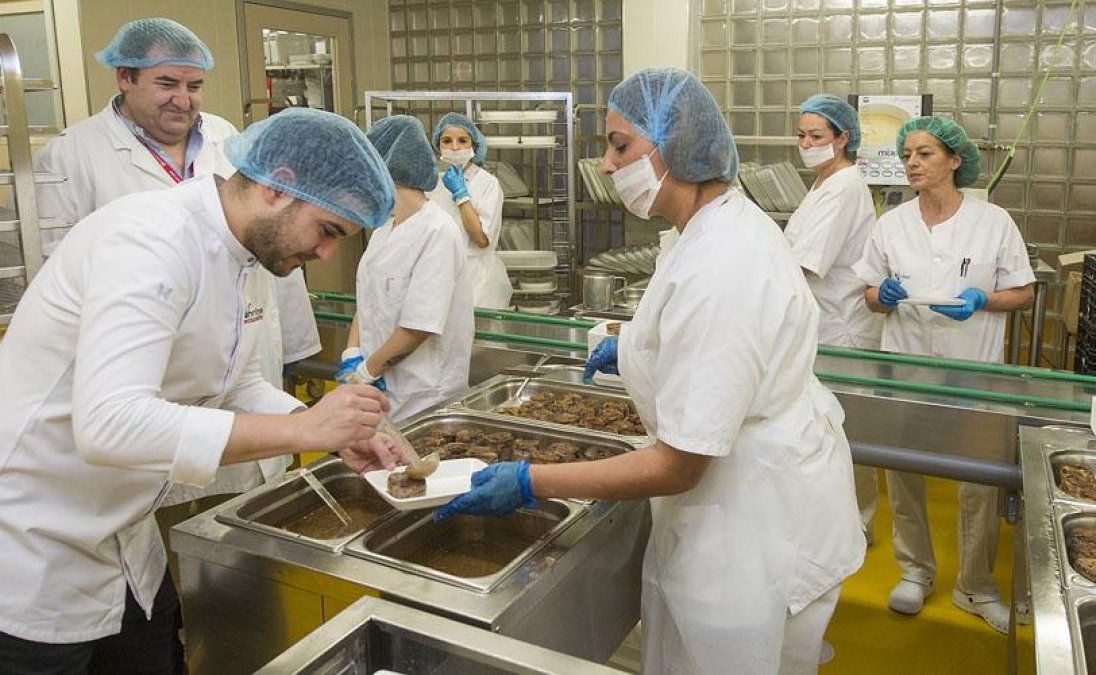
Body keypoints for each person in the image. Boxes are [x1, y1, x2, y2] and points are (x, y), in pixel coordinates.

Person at [0, 108, 402, 673]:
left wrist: (331, 431)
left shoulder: (245, 253)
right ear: (275, 186)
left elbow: (234, 381)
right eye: (328, 231)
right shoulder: (148, 240)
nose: (327, 255)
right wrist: (299, 430)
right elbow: (110, 424)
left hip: (116, 541)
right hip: (15, 554)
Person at [438, 67, 865, 674]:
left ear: (681, 147)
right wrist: (636, 347)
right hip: (734, 505)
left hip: (752, 533)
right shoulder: (704, 228)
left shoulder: (724, 265)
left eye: (620, 145)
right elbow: (686, 329)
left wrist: (532, 480)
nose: (609, 166)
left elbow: (680, 464)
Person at [32, 18, 323, 516]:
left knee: (245, 514)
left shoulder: (227, 139)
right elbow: (58, 271)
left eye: (194, 86)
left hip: (243, 362)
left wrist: (295, 350)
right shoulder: (72, 155)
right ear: (124, 77)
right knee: (168, 520)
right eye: (166, 83)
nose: (183, 100)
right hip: (145, 381)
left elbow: (266, 248)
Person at [853, 116, 1035, 634]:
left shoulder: (993, 221)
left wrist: (982, 300)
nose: (912, 162)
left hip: (972, 369)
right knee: (902, 473)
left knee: (979, 483)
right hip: (906, 369)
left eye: (925, 153)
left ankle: (975, 586)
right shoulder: (891, 224)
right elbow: (869, 293)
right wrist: (881, 298)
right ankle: (916, 572)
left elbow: (1022, 292)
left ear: (955, 160)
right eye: (908, 153)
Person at [784, 94, 883, 546]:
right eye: (802, 135)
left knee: (846, 431)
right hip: (822, 324)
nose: (806, 143)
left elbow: (804, 262)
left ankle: (855, 525)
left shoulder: (844, 187)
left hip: (841, 328)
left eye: (816, 136)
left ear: (843, 138)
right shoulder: (824, 183)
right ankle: (838, 519)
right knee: (827, 428)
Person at [336, 116, 474, 421]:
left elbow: (418, 327)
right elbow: (368, 297)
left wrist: (366, 371)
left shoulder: (437, 231)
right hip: (384, 390)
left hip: (425, 398)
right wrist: (352, 353)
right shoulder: (385, 230)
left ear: (384, 175)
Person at [427, 112, 513, 309]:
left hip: (477, 281)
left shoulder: (487, 184)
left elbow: (482, 239)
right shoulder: (434, 184)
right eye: (447, 141)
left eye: (462, 140)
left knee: (479, 338)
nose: (454, 147)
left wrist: (461, 195)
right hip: (440, 276)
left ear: (474, 145)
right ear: (438, 145)